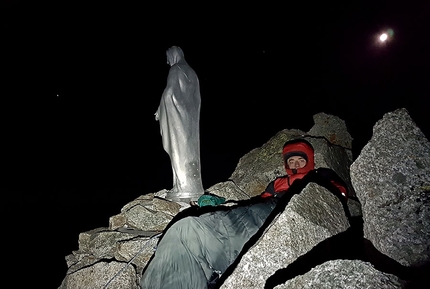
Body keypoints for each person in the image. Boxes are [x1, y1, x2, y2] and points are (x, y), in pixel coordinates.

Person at [140, 138, 350, 289]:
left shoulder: (320, 175)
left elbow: (337, 195)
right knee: (184, 230)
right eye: (291, 162)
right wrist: (219, 206)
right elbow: (257, 202)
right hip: (257, 212)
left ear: (309, 161)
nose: (294, 165)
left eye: (300, 161)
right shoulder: (276, 183)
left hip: (285, 213)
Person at [155, 46, 204, 202]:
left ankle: (182, 187)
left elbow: (170, 92)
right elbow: (196, 99)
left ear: (173, 55)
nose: (167, 61)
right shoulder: (192, 73)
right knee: (190, 151)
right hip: (190, 119)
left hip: (177, 118)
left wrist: (160, 109)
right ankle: (194, 187)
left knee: (178, 149)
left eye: (168, 57)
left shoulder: (175, 69)